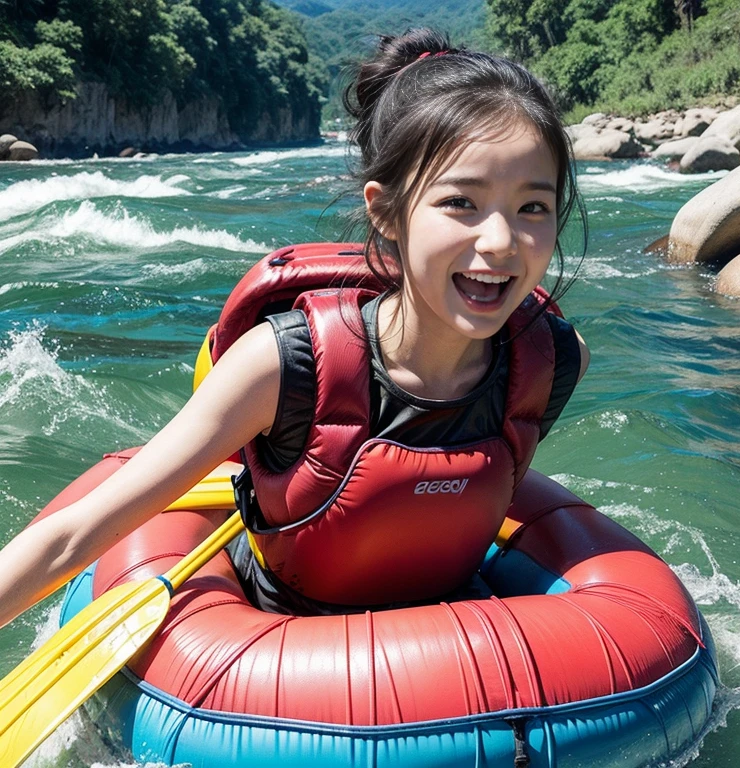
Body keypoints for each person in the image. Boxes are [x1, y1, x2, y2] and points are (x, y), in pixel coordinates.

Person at [0, 28, 589, 627]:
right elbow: (73, 535)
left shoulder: (551, 361)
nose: (499, 242)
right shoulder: (283, 366)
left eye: (532, 208)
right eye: (461, 202)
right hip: (285, 666)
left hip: (455, 652)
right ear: (385, 212)